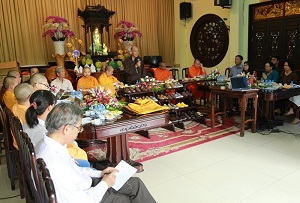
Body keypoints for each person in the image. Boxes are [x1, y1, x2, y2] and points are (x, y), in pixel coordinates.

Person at [36, 103, 156, 203]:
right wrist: (105, 183)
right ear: (66, 129)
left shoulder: (52, 143)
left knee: (136, 184)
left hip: (85, 183)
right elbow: (77, 200)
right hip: (86, 195)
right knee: (123, 199)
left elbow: (76, 170)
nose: (79, 132)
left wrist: (100, 174)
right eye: (79, 128)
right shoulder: (53, 160)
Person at [23, 90, 90, 167]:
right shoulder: (42, 131)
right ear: (50, 107)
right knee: (81, 154)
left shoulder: (29, 122)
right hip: (51, 161)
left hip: (39, 158)